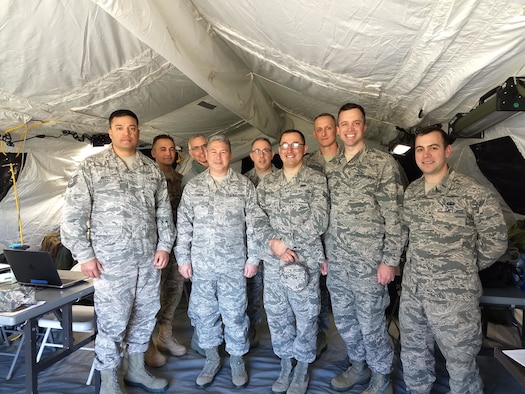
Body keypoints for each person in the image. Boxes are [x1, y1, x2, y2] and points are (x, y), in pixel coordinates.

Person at [61, 109, 174, 394]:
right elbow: (74, 215)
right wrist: (84, 254)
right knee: (113, 320)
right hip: (111, 262)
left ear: (138, 132)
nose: (127, 133)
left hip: (148, 260)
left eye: (132, 128)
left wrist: (164, 245)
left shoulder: (151, 170)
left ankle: (136, 369)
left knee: (145, 315)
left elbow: (164, 213)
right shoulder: (92, 167)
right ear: (110, 133)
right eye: (120, 127)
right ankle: (110, 377)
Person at [399, 126, 508, 394]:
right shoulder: (412, 193)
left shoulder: (472, 192)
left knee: (460, 363)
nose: (426, 155)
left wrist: (462, 268)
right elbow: (409, 237)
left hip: (454, 297)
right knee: (413, 354)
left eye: (433, 147)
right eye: (420, 149)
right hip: (414, 293)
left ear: (447, 151)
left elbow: (496, 240)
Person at [325, 103, 404, 394]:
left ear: (364, 127)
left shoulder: (382, 164)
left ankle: (382, 377)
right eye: (344, 124)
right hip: (338, 261)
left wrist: (390, 260)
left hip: (370, 263)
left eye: (355, 123)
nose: (349, 129)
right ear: (337, 129)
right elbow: (326, 214)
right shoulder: (330, 167)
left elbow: (395, 216)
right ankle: (359, 365)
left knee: (371, 323)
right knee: (345, 321)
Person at [175, 135, 261, 388]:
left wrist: (253, 258)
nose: (218, 156)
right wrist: (183, 258)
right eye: (213, 152)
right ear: (206, 154)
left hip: (234, 265)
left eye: (223, 152)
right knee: (205, 315)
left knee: (235, 315)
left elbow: (255, 225)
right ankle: (212, 359)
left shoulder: (244, 186)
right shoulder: (194, 187)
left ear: (230, 154)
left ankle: (236, 360)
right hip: (202, 265)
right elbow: (184, 225)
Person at [257, 129, 329, 394]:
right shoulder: (268, 183)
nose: (289, 149)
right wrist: (275, 244)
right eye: (284, 145)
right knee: (277, 316)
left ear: (304, 148)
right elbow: (257, 217)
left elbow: (320, 220)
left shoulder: (315, 180)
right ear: (279, 150)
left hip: (304, 262)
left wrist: (287, 240)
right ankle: (286, 363)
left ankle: (302, 368)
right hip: (275, 263)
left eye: (295, 144)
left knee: (306, 316)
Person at [303, 112, 345, 357]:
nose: (324, 133)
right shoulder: (308, 164)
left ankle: (357, 355)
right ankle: (317, 335)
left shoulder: (350, 160)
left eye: (329, 128)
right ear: (315, 133)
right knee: (314, 292)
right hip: (314, 243)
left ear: (336, 130)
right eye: (320, 129)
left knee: (344, 300)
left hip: (343, 242)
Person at [144, 134, 187, 368]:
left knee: (173, 291)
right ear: (153, 153)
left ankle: (165, 335)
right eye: (162, 149)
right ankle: (148, 344)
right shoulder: (148, 177)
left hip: (177, 246)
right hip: (155, 247)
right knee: (151, 296)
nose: (168, 153)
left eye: (171, 149)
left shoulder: (181, 179)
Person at [243, 137, 277, 348]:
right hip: (252, 247)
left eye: (266, 151)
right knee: (252, 289)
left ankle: (282, 336)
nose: (262, 155)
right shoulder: (244, 181)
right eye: (257, 151)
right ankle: (252, 327)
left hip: (276, 247)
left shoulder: (283, 178)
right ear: (251, 155)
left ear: (273, 155)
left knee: (280, 295)